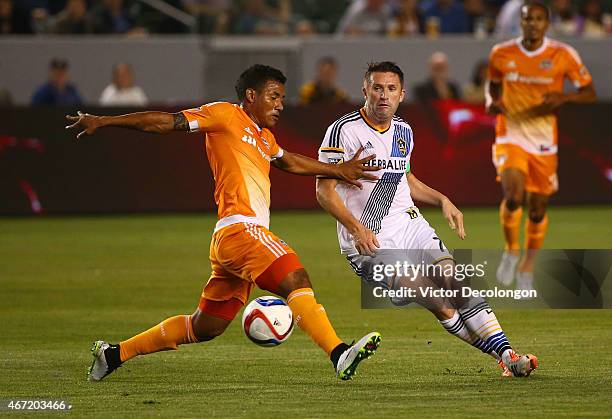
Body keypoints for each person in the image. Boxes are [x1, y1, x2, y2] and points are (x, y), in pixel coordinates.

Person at [66, 64, 382, 382]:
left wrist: (337, 170)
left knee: (206, 326)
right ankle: (339, 353)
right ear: (251, 95)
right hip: (242, 229)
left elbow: (288, 161)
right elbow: (166, 122)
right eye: (273, 96)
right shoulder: (224, 115)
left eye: (282, 98)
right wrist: (105, 121)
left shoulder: (264, 137)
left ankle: (113, 354)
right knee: (296, 278)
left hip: (232, 241)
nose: (280, 105)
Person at [315, 61, 538, 378]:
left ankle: (507, 355)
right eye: (377, 88)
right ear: (365, 90)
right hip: (369, 243)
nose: (383, 95)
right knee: (437, 300)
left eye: (391, 89)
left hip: (410, 226)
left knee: (455, 282)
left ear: (402, 94)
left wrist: (443, 199)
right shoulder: (344, 131)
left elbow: (405, 179)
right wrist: (356, 228)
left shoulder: (403, 131)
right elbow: (324, 191)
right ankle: (504, 355)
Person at [486, 1, 596, 291]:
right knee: (513, 196)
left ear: (547, 24)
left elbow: (589, 92)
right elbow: (494, 84)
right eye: (527, 19)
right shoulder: (501, 53)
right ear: (520, 22)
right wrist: (491, 101)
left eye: (538, 19)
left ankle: (527, 265)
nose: (532, 23)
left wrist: (565, 98)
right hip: (510, 134)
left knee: (536, 210)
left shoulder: (563, 54)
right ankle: (511, 250)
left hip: (544, 142)